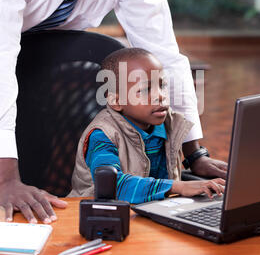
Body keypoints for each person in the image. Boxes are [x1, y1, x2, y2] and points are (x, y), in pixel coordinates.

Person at [0, 0, 227, 224]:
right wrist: (4, 179)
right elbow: (1, 65)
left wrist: (194, 151)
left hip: (43, 66)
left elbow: (165, 54)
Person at [70, 48, 226, 201]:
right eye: (145, 90)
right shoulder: (102, 135)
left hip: (154, 210)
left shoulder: (170, 123)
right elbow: (111, 185)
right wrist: (179, 187)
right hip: (101, 216)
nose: (160, 96)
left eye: (163, 86)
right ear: (116, 101)